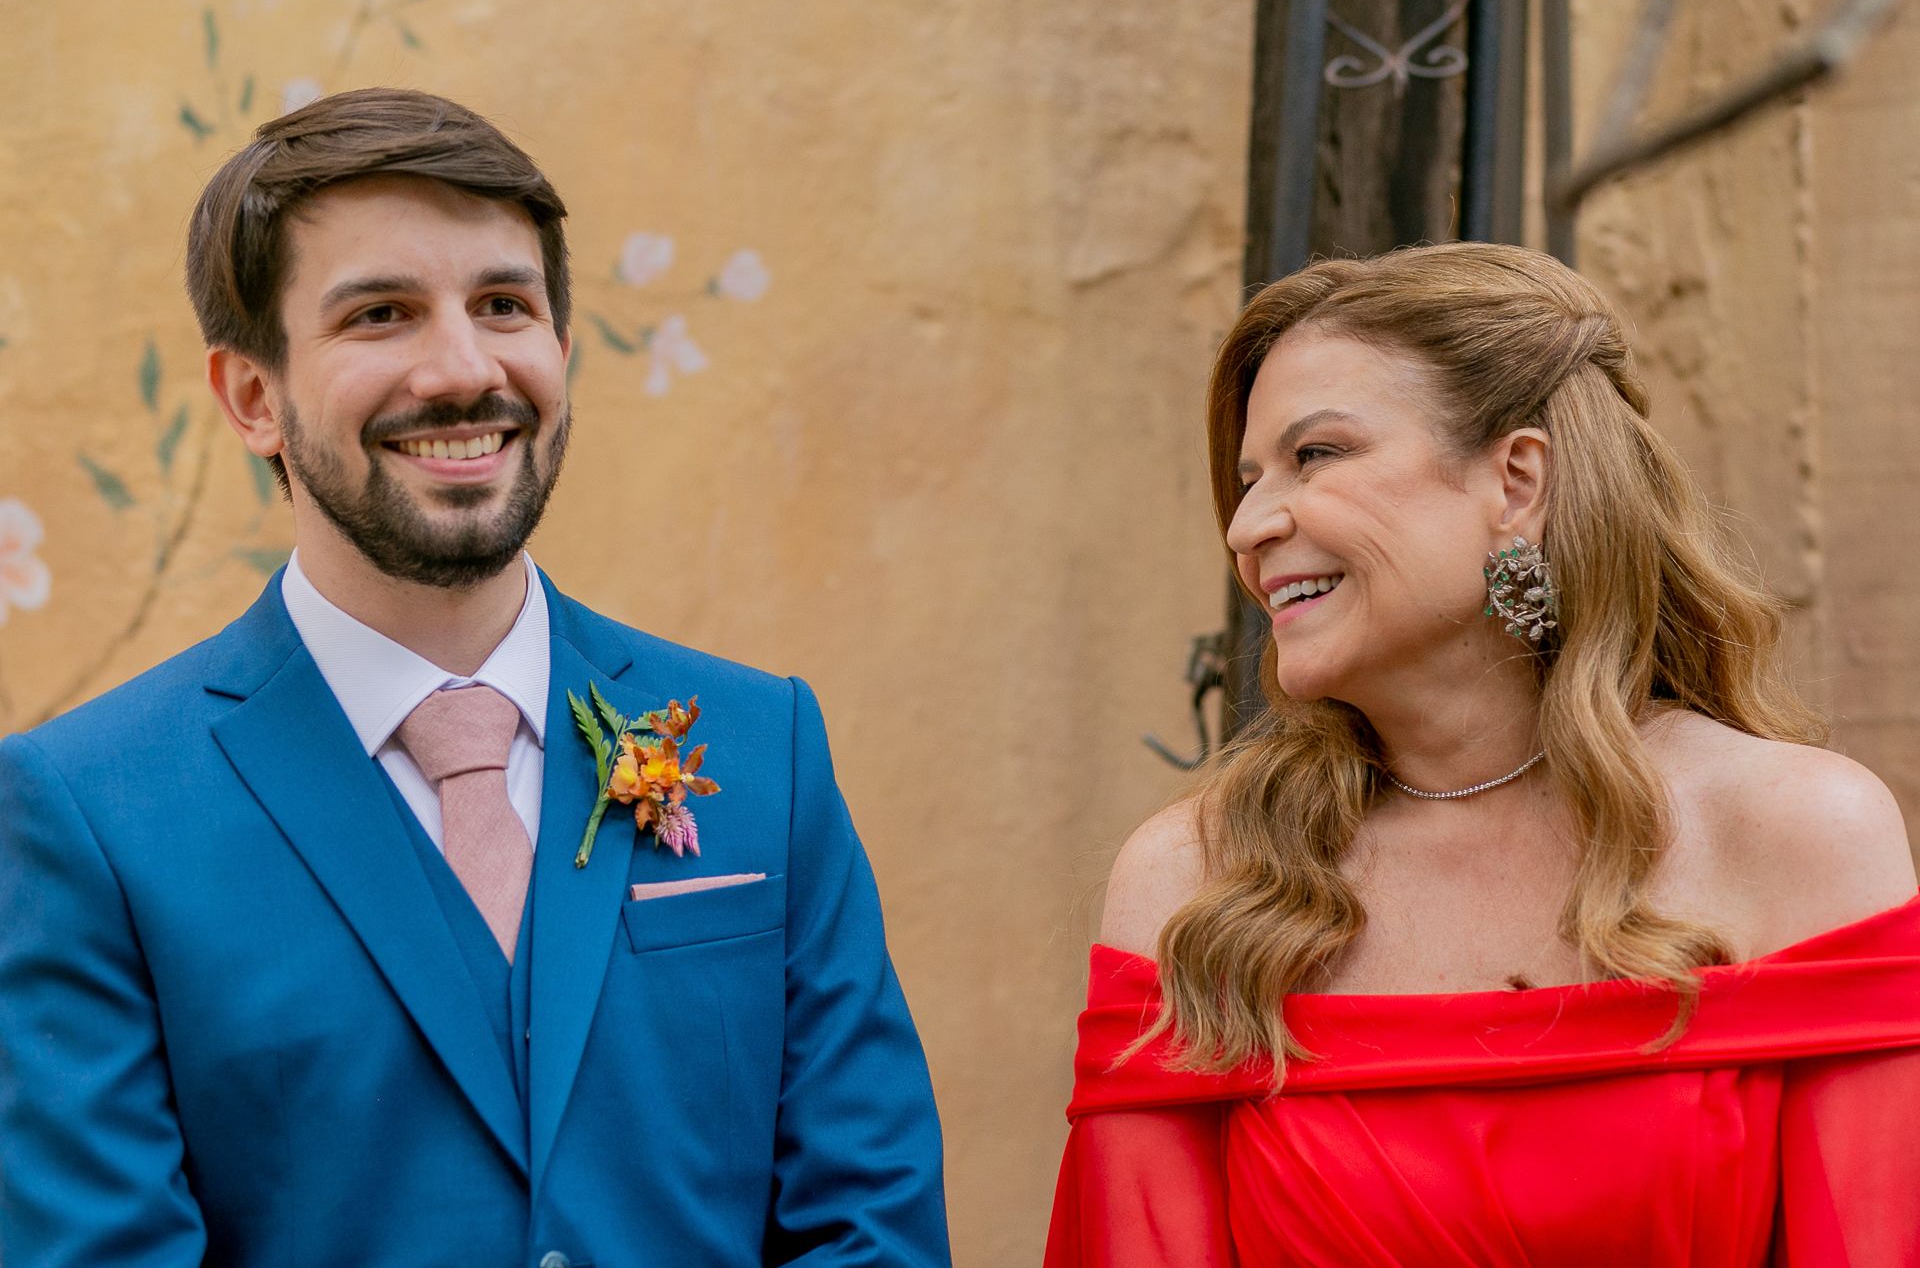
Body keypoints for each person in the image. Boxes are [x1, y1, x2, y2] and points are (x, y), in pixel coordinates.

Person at [0, 88, 949, 1268]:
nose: (463, 368)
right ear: (254, 397)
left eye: (505, 304)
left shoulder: (767, 749)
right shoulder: (88, 812)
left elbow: (871, 1227)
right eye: (381, 314)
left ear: (561, 348)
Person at [1046, 243, 1920, 1266]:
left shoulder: (1795, 835)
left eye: (1315, 454)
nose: (1247, 527)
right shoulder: (1198, 883)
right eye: (1248, 482)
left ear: (1516, 480)